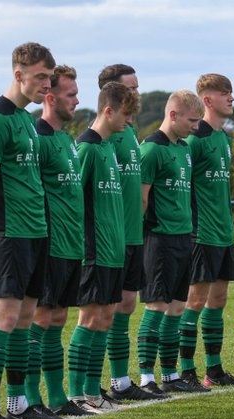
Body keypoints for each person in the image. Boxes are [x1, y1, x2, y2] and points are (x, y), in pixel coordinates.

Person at [0, 42, 59, 419]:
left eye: (49, 78)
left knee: (24, 319)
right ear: (18, 74)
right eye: (40, 77)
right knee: (4, 316)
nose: (46, 85)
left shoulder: (25, 119)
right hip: (10, 233)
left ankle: (19, 404)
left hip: (36, 231)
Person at [67, 81, 140, 413]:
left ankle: (93, 391)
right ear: (108, 111)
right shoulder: (86, 148)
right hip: (93, 249)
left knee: (106, 318)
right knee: (90, 318)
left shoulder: (109, 147)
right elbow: (71, 200)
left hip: (115, 248)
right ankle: (76, 392)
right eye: (125, 115)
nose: (128, 122)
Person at [26, 65, 92, 418]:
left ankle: (56, 396)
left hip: (71, 244)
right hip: (48, 243)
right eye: (71, 94)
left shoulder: (68, 140)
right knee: (39, 321)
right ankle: (30, 399)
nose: (77, 100)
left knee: (57, 320)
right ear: (50, 97)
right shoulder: (38, 138)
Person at [136, 90, 209, 393]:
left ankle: (169, 374)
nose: (197, 127)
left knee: (177, 307)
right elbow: (141, 197)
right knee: (156, 306)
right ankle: (145, 377)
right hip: (158, 238)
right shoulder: (151, 149)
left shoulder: (184, 149)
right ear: (173, 115)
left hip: (184, 237)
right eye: (193, 120)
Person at [97, 65, 159, 401]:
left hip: (134, 236)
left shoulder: (130, 133)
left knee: (126, 305)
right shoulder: (106, 138)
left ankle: (121, 381)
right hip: (111, 238)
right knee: (103, 310)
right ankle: (92, 385)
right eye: (130, 88)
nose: (136, 93)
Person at [180, 74, 234, 387]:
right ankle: (186, 370)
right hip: (201, 233)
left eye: (231, 92)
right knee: (194, 302)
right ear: (207, 100)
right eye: (224, 93)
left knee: (218, 301)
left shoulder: (225, 138)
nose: (231, 98)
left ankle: (214, 370)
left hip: (223, 233)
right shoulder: (194, 139)